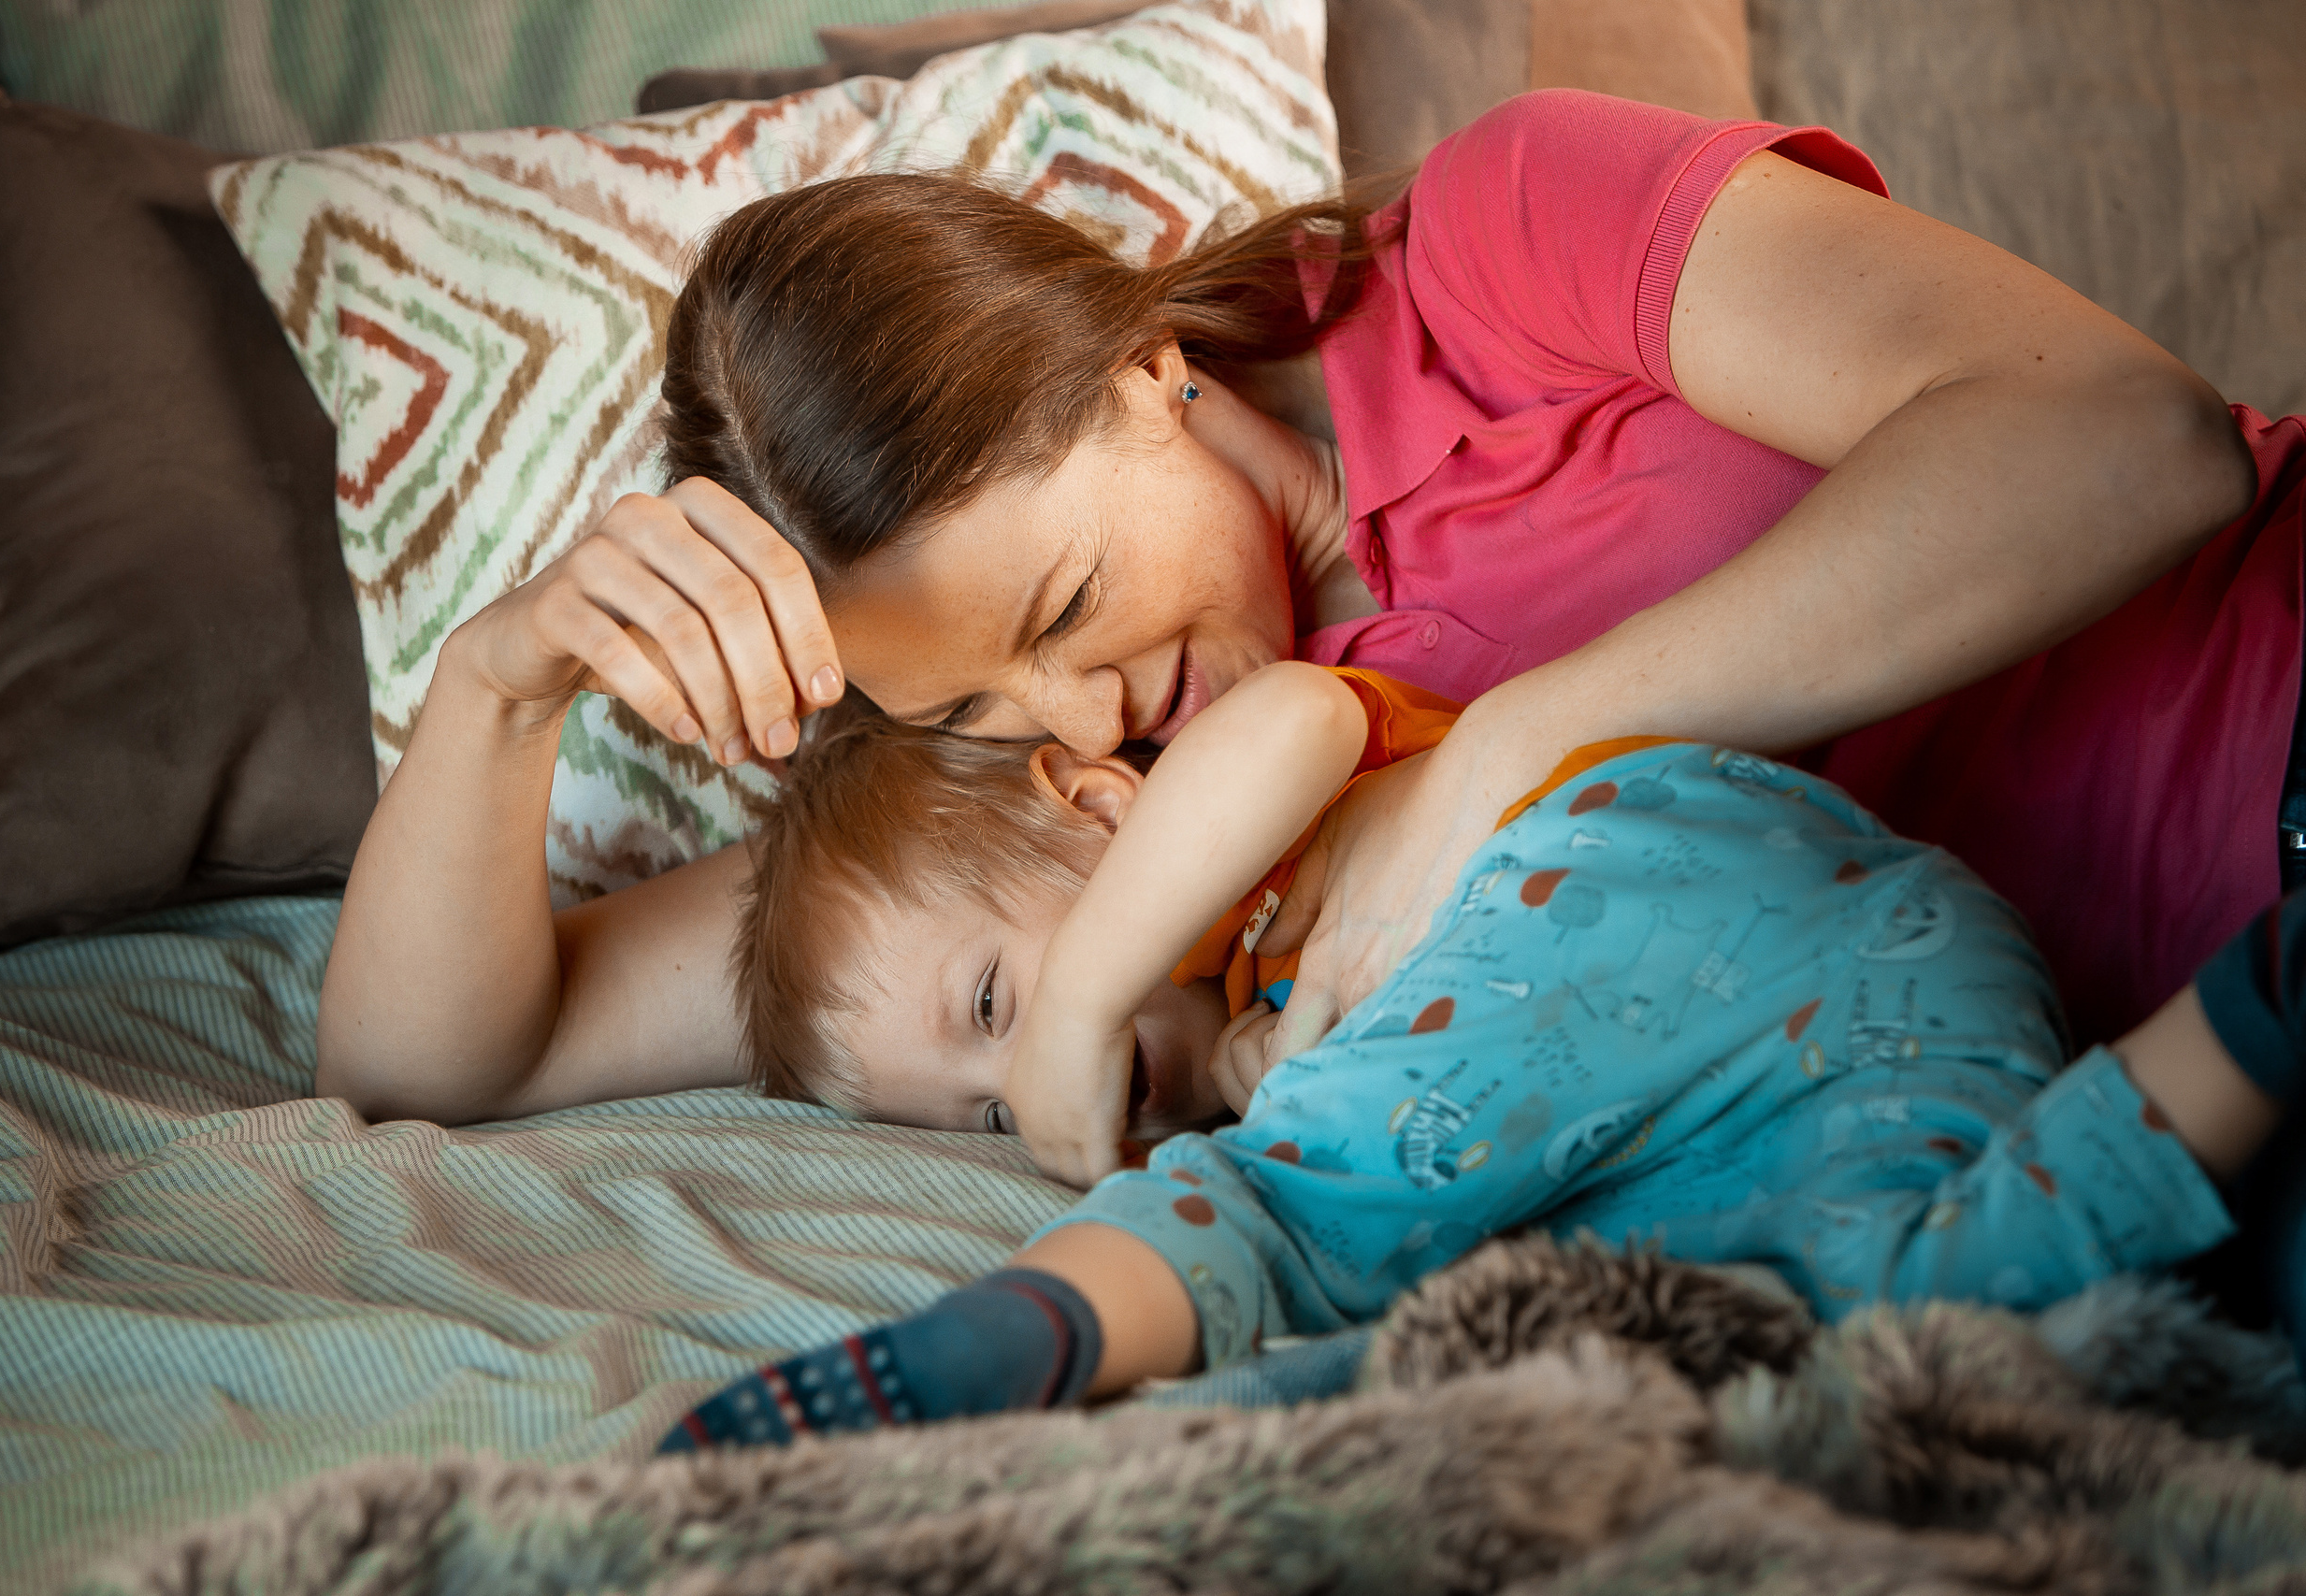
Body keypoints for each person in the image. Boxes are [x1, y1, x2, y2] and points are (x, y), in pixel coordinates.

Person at [313, 88, 2295, 1137]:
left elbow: (2123, 443)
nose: (1077, 725)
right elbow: (437, 1061)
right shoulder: (1121, 792)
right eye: (991, 715)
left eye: (1070, 604)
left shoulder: (1499, 246)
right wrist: (502, 682)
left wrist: (1519, 741)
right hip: (2192, 1070)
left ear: (1136, 363)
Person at [653, 659, 2293, 1448]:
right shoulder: (1265, 1037)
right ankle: (2249, 1020)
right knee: (1893, 1310)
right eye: (981, 1110)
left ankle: (1026, 1331)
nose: (1026, 1103)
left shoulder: (1243, 794)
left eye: (993, 1008)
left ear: (1090, 802)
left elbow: (1298, 719)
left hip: (1610, 874)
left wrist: (1088, 1003)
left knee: (1282, 1213)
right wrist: (1232, 1064)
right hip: (1905, 994)